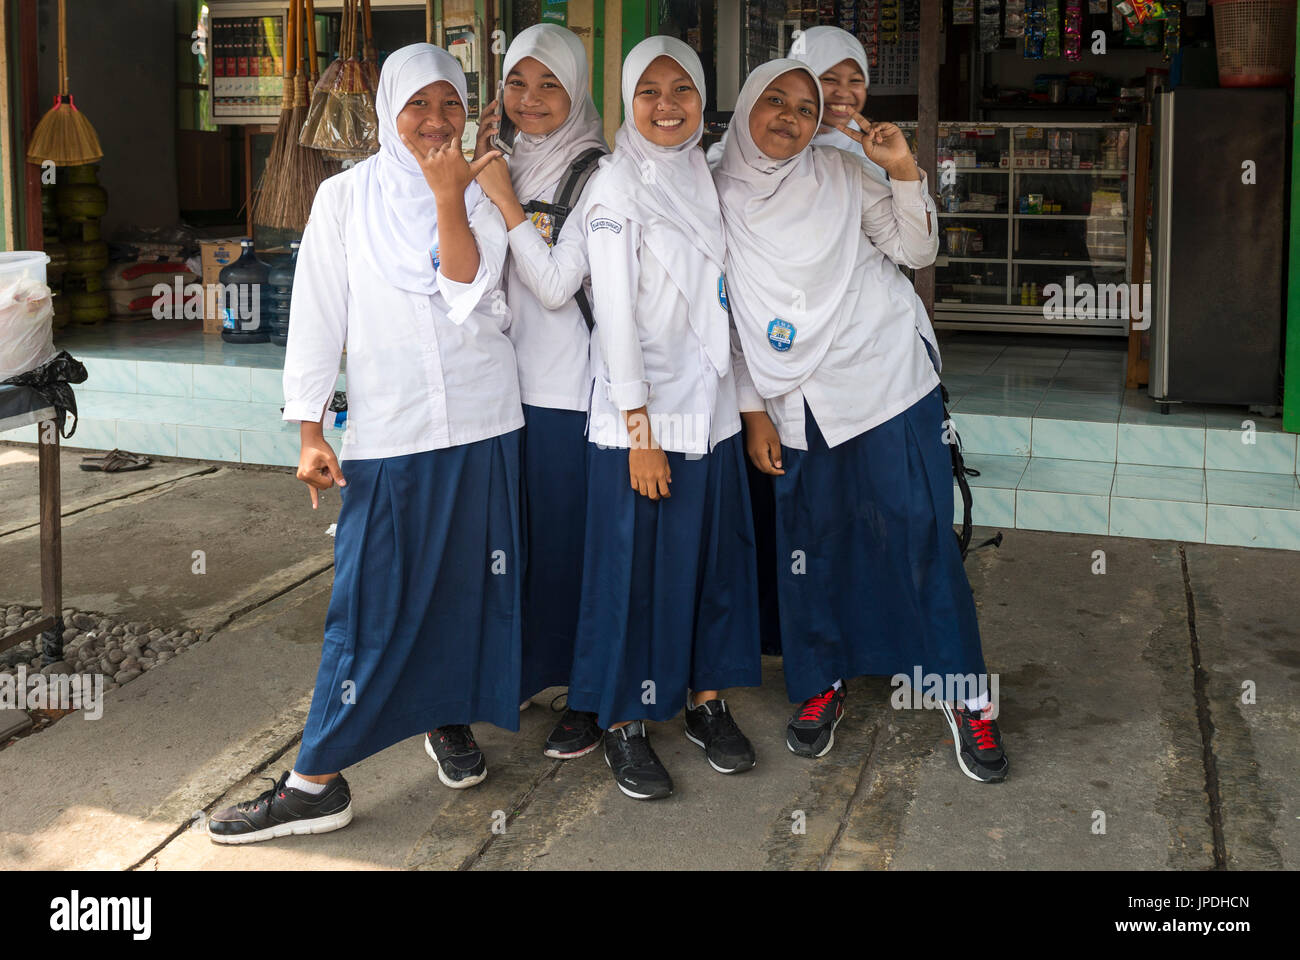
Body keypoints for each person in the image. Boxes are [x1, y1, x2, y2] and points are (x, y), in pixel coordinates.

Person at [207, 44, 520, 843]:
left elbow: (464, 289)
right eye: (419, 104)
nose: (437, 121)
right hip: (391, 434)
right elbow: (318, 316)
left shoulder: (478, 191)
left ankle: (445, 716)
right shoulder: (344, 199)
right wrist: (311, 429)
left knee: (465, 589)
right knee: (369, 602)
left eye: (451, 104)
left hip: (485, 424)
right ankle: (316, 780)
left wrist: (451, 197)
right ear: (387, 110)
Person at [714, 59, 1009, 783]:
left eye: (805, 108)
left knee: (918, 537)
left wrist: (904, 168)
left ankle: (963, 694)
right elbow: (727, 319)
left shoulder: (842, 177)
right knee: (811, 546)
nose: (788, 116)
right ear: (748, 103)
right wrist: (754, 415)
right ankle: (821, 683)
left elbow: (917, 249)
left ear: (820, 124)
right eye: (775, 100)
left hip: (882, 384)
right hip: (795, 400)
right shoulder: (714, 190)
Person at [566, 36, 762, 801]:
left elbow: (728, 306)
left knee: (708, 568)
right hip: (636, 424)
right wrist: (640, 435)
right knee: (630, 575)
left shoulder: (706, 181)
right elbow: (614, 317)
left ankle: (703, 702)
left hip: (706, 414)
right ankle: (623, 719)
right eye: (650, 90)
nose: (668, 105)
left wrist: (746, 411)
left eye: (682, 89)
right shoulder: (617, 186)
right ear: (625, 101)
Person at [471, 23, 610, 762]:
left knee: (572, 547)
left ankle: (588, 694)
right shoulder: (498, 164)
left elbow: (558, 291)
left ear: (577, 89)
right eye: (517, 83)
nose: (530, 99)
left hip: (565, 392)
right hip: (497, 391)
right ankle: (528, 670)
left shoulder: (596, 174)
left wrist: (504, 202)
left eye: (548, 83)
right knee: (516, 546)